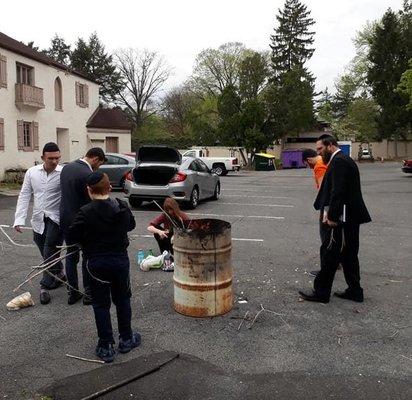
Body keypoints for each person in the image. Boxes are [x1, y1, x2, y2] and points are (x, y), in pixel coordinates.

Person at [68, 171, 140, 363]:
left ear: (89, 190)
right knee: (123, 299)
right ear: (109, 188)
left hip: (96, 263)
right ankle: (126, 338)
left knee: (101, 304)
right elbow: (131, 225)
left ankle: (106, 344)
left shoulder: (85, 212)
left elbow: (71, 237)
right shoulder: (122, 206)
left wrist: (86, 238)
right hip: (119, 262)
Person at [299, 134, 371, 304]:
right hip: (350, 216)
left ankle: (321, 293)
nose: (318, 152)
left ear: (330, 145)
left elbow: (338, 191)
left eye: (320, 149)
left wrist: (331, 216)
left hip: (343, 217)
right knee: (348, 254)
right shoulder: (343, 159)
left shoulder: (338, 161)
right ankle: (355, 291)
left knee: (330, 252)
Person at [13, 142, 65, 305]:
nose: (55, 161)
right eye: (51, 158)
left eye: (57, 158)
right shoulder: (32, 172)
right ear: (43, 157)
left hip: (56, 218)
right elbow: (24, 195)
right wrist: (19, 219)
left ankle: (45, 285)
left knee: (50, 249)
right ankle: (60, 274)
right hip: (38, 218)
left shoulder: (63, 172)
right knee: (44, 248)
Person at [60, 147, 106, 305]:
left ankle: (72, 293)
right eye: (99, 164)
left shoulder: (66, 168)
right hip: (83, 221)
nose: (98, 168)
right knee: (88, 256)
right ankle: (89, 292)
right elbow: (92, 201)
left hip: (66, 219)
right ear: (95, 159)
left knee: (71, 257)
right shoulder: (88, 175)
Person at [302, 148, 329, 277]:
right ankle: (337, 262)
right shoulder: (325, 160)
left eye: (306, 164)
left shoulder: (319, 166)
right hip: (334, 204)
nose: (308, 167)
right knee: (332, 236)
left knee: (325, 235)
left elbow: (323, 188)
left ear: (308, 160)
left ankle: (327, 266)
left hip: (327, 206)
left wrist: (323, 209)